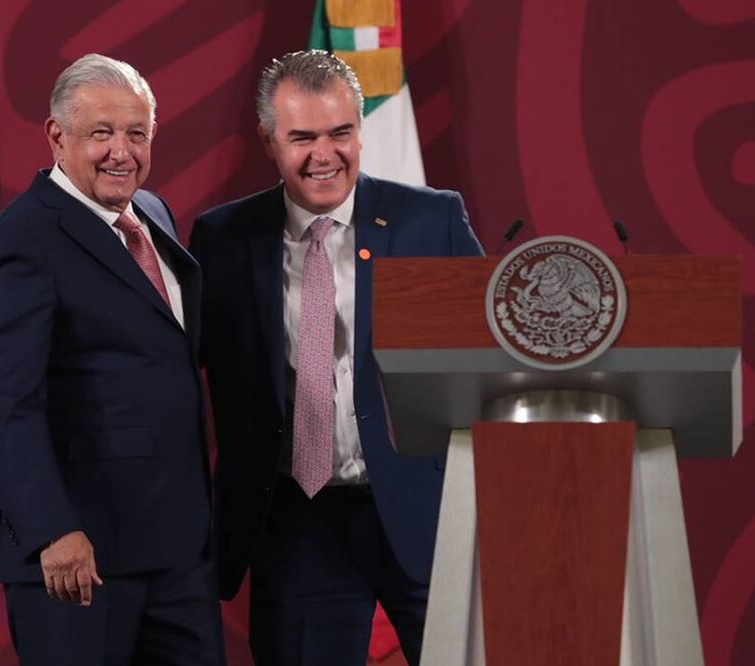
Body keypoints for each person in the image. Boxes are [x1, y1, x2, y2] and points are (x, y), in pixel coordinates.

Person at [190, 50, 484, 665]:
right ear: (269, 140)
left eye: (340, 133)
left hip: (422, 509)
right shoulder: (223, 238)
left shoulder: (432, 221)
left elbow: (488, 356)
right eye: (302, 138)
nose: (325, 155)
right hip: (298, 522)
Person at [0, 53, 222, 665]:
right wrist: (52, 530)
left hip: (177, 553)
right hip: (80, 562)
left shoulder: (152, 215)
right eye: (101, 133)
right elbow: (8, 404)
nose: (121, 152)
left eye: (137, 133)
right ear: (57, 136)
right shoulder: (20, 240)